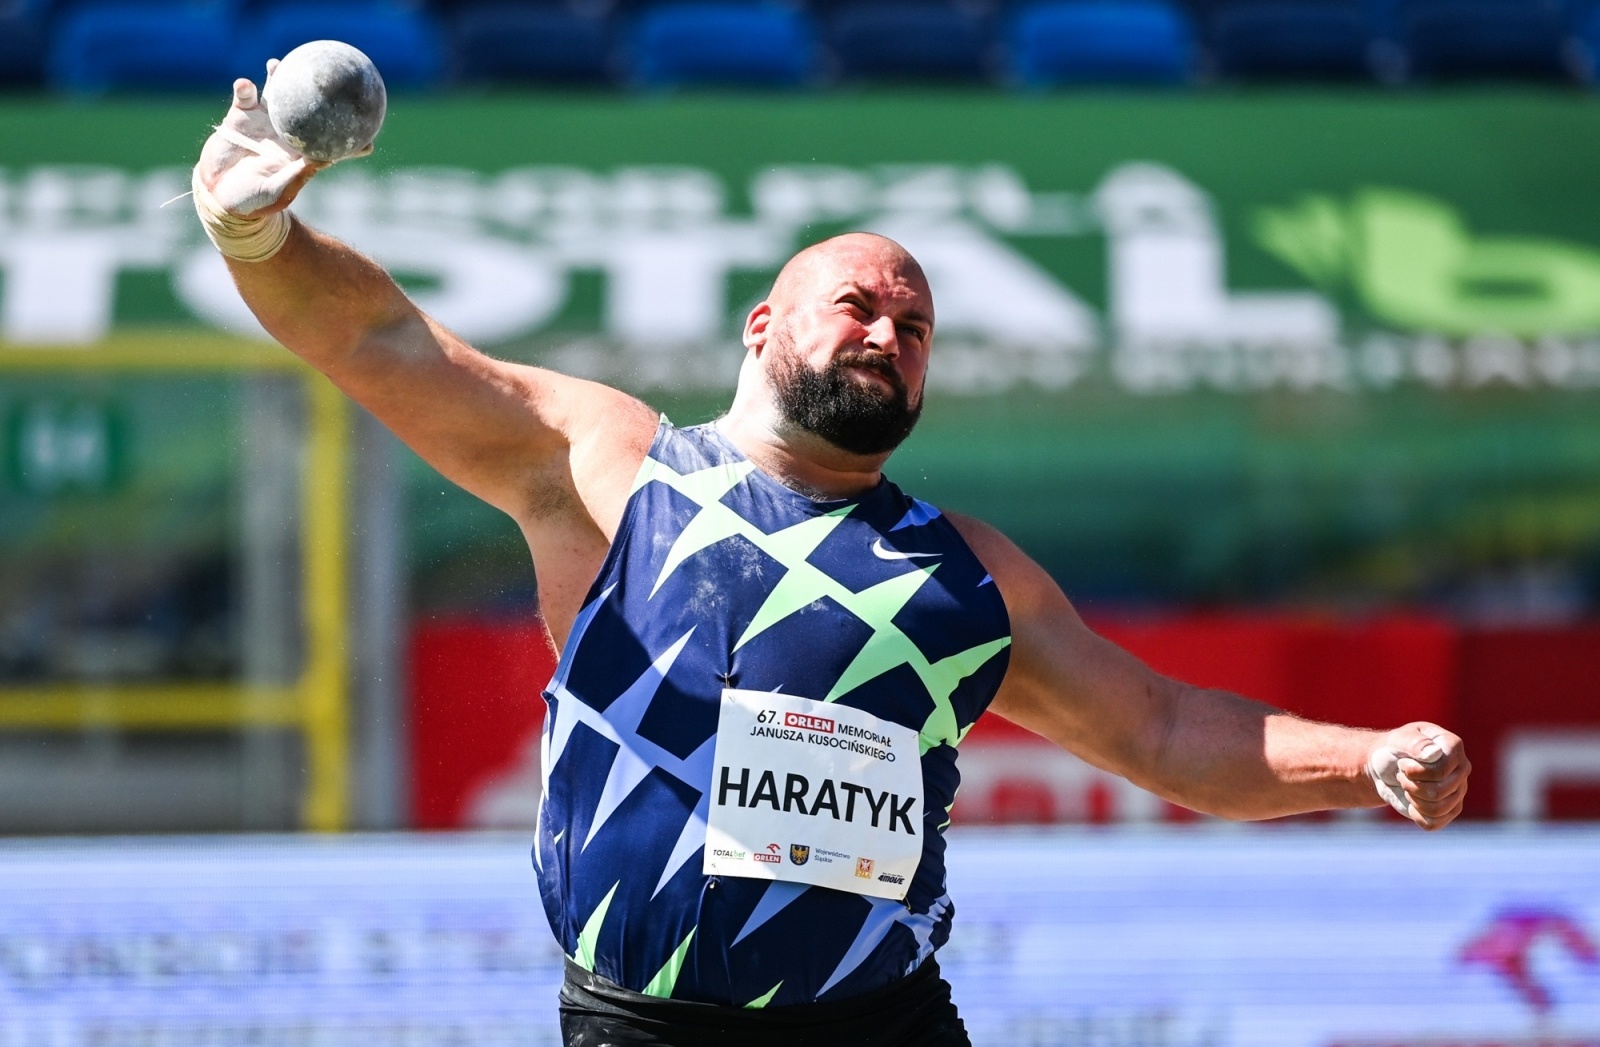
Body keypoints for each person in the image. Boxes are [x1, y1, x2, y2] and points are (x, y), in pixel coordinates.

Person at [192, 68, 1472, 1047]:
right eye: (857, 305)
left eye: (914, 325)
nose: (888, 332)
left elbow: (1166, 732)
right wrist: (260, 242)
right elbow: (391, 348)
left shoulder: (964, 574)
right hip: (639, 1027)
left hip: (878, 1028)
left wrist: (1366, 760)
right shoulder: (618, 470)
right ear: (761, 328)